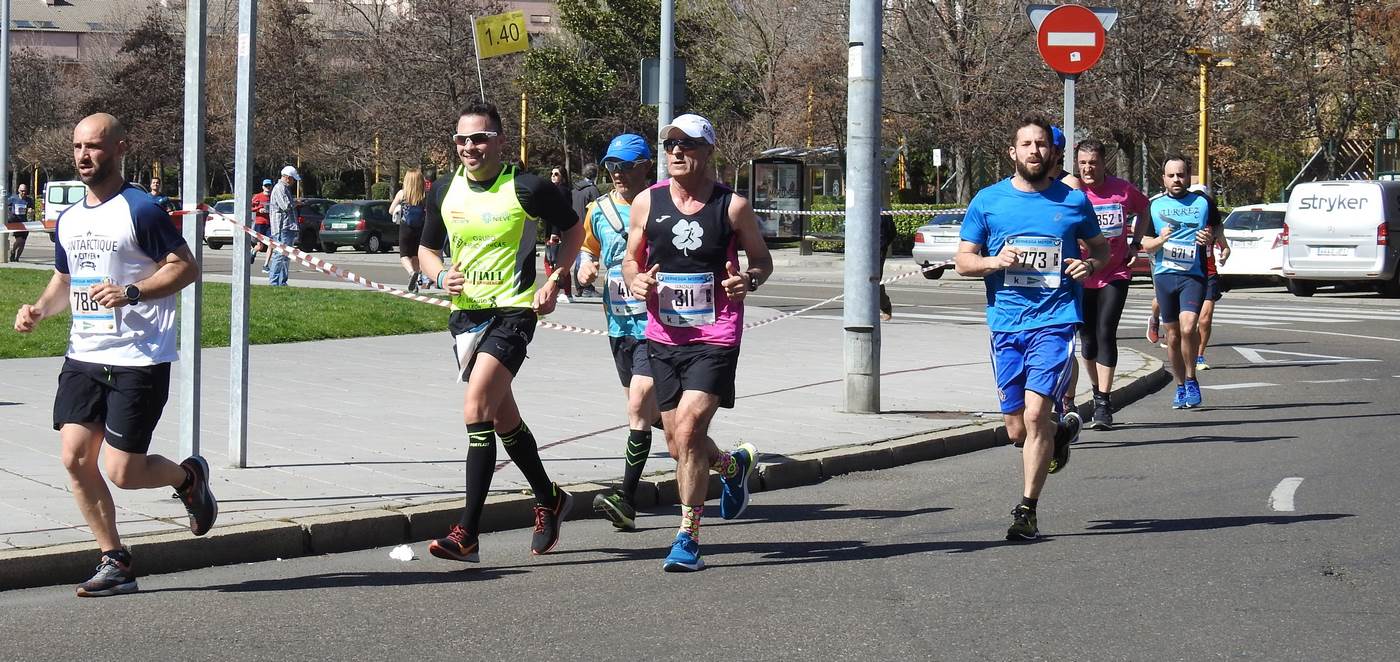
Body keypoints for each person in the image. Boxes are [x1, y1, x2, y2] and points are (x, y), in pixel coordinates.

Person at [11, 113, 216, 597]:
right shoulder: (69, 218)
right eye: (78, 146)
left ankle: (188, 478)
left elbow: (185, 269)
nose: (84, 155)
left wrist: (132, 292)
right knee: (74, 458)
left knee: (123, 472)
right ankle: (115, 560)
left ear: (120, 148)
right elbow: (66, 278)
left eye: (95, 146)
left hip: (139, 357)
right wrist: (40, 310)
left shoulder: (141, 209)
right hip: (85, 355)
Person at [417, 101, 582, 563]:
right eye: (462, 139)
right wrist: (438, 275)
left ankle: (466, 533)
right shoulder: (445, 189)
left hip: (513, 312)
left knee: (476, 407)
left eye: (480, 137)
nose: (470, 147)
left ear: (501, 141)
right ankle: (550, 498)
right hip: (466, 316)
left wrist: (555, 278)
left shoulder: (526, 186)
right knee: (502, 416)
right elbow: (427, 249)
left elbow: (573, 229)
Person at [622, 113, 774, 571]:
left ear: (708, 151)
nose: (675, 153)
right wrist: (635, 281)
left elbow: (762, 262)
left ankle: (687, 537)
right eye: (670, 145)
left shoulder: (733, 207)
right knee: (675, 444)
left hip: (716, 333)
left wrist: (747, 279)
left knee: (688, 432)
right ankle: (731, 467)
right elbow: (631, 260)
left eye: (686, 145)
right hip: (663, 335)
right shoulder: (647, 204)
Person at [953, 115, 1108, 541]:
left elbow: (1101, 248)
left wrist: (1090, 264)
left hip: (1055, 320)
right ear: (1013, 152)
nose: (1034, 151)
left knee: (1037, 412)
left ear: (1053, 153)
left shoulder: (1072, 201)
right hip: (1005, 324)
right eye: (1026, 144)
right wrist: (993, 262)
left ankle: (1027, 510)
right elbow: (963, 260)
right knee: (1017, 429)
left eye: (1041, 144)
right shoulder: (988, 201)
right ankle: (1060, 435)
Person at [576, 134, 658, 530]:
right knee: (670, 429)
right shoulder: (599, 209)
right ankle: (729, 464)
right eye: (613, 165)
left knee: (639, 405)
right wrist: (584, 265)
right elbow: (588, 248)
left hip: (659, 325)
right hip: (618, 323)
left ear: (646, 166)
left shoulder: (662, 203)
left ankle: (626, 499)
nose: (618, 173)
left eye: (626, 165)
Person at [1073, 140, 1151, 430]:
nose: (1087, 168)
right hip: (1082, 274)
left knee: (1106, 331)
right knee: (1088, 340)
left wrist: (1135, 243)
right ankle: (1095, 390)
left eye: (1093, 162)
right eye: (1082, 163)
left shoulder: (1122, 190)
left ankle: (1104, 402)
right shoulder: (1074, 192)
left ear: (1104, 162)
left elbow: (1145, 210)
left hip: (1115, 272)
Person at [1141, 156, 1223, 409]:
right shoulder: (1153, 206)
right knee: (1174, 336)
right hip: (1165, 275)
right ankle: (1179, 385)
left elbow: (1216, 229)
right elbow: (1144, 243)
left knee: (1189, 327)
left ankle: (1191, 379)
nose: (1177, 179)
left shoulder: (1203, 202)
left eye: (1181, 175)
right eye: (1171, 175)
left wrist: (1213, 239)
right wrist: (1160, 240)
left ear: (1188, 176)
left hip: (1193, 274)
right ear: (1163, 178)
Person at [1191, 184, 1229, 371]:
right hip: (1189, 275)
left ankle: (1199, 355)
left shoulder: (1213, 226)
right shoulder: (1185, 221)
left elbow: (1225, 246)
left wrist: (1224, 253)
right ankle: (1185, 351)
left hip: (1210, 274)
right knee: (1188, 322)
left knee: (1205, 318)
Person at [390, 169, 430, 292]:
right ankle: (417, 282)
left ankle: (412, 273)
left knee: (404, 256)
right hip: (420, 228)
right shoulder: (425, 195)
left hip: (405, 228)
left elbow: (391, 210)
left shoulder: (402, 194)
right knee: (416, 256)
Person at [571, 163, 603, 298]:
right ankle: (586, 287)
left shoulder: (574, 190)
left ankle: (579, 287)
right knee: (587, 258)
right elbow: (600, 210)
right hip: (587, 230)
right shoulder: (592, 190)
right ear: (595, 175)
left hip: (573, 228)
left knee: (579, 259)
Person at [267, 166, 299, 286]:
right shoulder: (280, 188)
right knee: (280, 255)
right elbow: (285, 206)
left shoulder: (285, 188)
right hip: (282, 227)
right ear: (286, 177)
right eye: (292, 179)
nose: (293, 181)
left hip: (288, 226)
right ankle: (274, 282)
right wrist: (296, 203)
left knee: (286, 256)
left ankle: (282, 282)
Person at [7, 183, 35, 261]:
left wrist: (31, 211)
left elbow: (32, 209)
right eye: (22, 191)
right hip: (16, 222)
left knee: (23, 243)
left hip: (25, 223)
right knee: (20, 240)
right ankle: (13, 251)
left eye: (25, 191)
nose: (23, 193)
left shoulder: (29, 200)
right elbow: (5, 204)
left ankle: (17, 258)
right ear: (18, 190)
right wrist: (9, 213)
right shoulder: (13, 198)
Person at [250, 178, 273, 269]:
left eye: (269, 185)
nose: (268, 187)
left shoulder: (273, 196)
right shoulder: (258, 196)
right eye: (266, 186)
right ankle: (253, 252)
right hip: (260, 223)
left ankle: (266, 265)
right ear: (263, 187)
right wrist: (258, 209)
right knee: (260, 246)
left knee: (271, 244)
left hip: (271, 224)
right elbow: (250, 207)